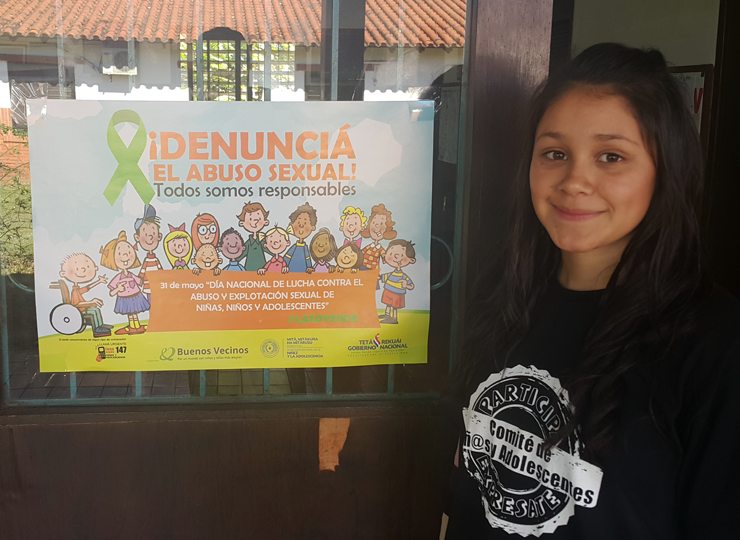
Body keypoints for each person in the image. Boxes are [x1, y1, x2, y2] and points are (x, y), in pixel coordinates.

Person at [444, 43, 740, 539]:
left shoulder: (715, 344)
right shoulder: (504, 299)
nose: (575, 181)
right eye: (555, 153)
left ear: (665, 170)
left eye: (611, 156)